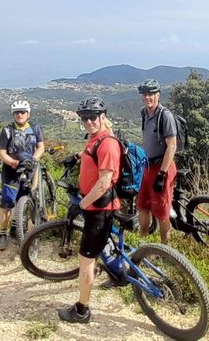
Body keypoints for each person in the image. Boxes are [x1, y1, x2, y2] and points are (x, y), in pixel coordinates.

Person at [58, 97, 121, 324]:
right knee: (103, 247)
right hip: (96, 207)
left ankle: (82, 310)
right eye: (84, 117)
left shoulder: (107, 144)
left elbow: (104, 183)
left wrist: (83, 204)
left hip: (99, 209)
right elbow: (91, 156)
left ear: (103, 117)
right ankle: (120, 274)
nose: (88, 121)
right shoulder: (96, 138)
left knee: (86, 260)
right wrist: (76, 157)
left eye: (93, 117)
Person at [0, 100, 45, 251]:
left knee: (28, 202)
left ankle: (23, 233)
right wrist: (11, 162)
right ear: (13, 114)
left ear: (28, 114)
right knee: (7, 204)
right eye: (17, 112)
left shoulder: (35, 128)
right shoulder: (7, 130)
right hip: (11, 171)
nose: (20, 115)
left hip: (29, 170)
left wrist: (34, 158)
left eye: (23, 112)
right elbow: (1, 152)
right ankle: (2, 234)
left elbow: (41, 146)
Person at [136, 79, 178, 244]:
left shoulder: (165, 116)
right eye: (145, 94)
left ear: (158, 95)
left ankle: (165, 249)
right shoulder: (144, 113)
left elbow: (172, 146)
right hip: (148, 167)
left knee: (162, 211)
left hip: (162, 168)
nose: (147, 97)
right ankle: (143, 242)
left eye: (151, 94)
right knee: (142, 206)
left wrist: (161, 174)